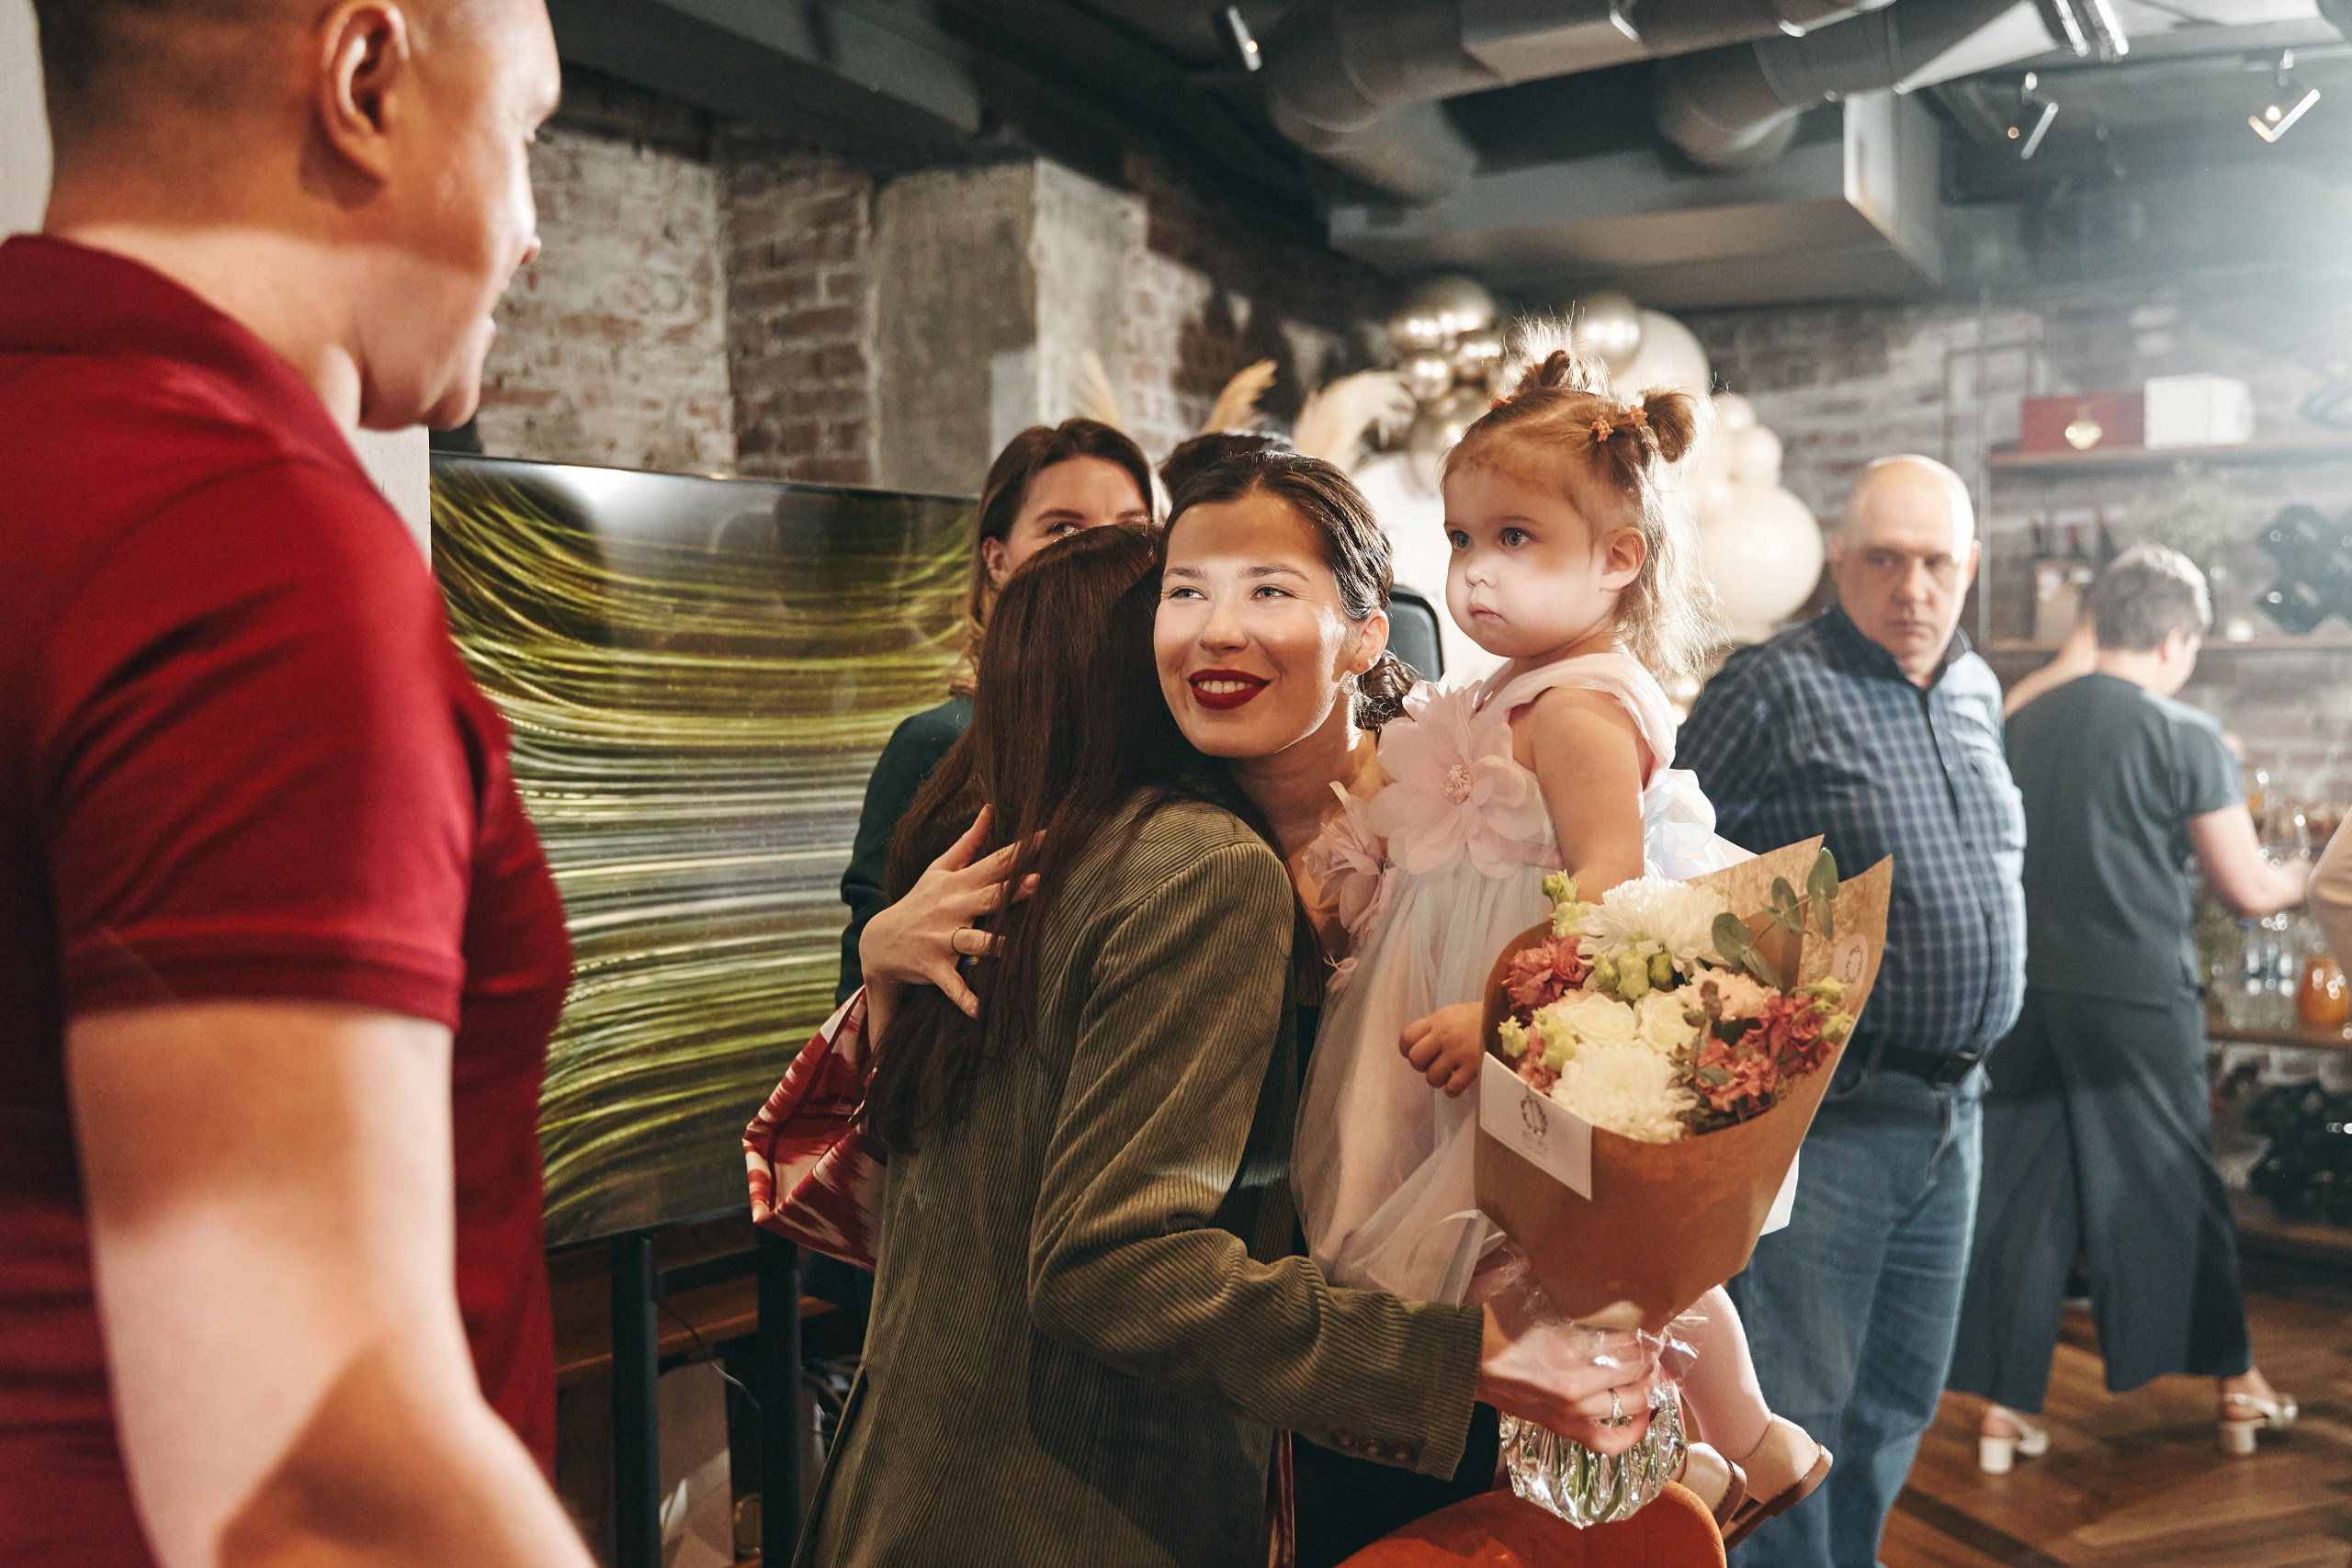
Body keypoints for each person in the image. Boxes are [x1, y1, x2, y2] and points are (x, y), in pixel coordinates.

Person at [2, 3, 593, 1567]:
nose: (532, 234)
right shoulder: (239, 544)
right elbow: (316, 1471)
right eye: (527, 136)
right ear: (367, 81)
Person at [790, 524, 1660, 1568]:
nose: (1218, 633)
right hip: (1073, 1509)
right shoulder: (1196, 869)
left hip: (904, 1489)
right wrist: (1459, 1358)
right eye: (1186, 599)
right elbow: (1111, 1263)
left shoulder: (1012, 862)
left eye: (1260, 595)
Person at [1288, 350, 1826, 1545]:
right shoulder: (1499, 691)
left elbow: (1609, 888)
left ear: (1618, 556)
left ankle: (1736, 1437)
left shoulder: (1581, 702)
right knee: (1538, 1257)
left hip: (1541, 1022)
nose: (1477, 569)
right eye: (1463, 535)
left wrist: (1507, 1017)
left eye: (1518, 538)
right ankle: (1696, 1444)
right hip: (1451, 1020)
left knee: (1596, 1251)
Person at [1679, 455, 2026, 1568]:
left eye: (1935, 563)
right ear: (1839, 560)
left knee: (1897, 1402)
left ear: (1969, 567)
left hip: (1954, 1111)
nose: (1911, 587)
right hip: (1830, 1118)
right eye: (1884, 559)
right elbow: (1668, 878)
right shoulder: (1772, 686)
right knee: (1801, 1412)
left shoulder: (1975, 688)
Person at [1950, 546, 2307, 1470]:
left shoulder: (2018, 722)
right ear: (2176, 638)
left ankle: (2001, 1414)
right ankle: (2236, 1387)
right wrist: (2312, 873)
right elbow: (2247, 891)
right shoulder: (2181, 732)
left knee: (2025, 1200)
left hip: (2024, 996)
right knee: (2177, 1187)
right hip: (2135, 998)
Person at [833, 417, 1153, 1004]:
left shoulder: (1173, 734)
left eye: (1132, 528)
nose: (1102, 552)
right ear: (998, 559)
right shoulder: (940, 741)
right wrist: (883, 947)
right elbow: (862, 986)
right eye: (1063, 529)